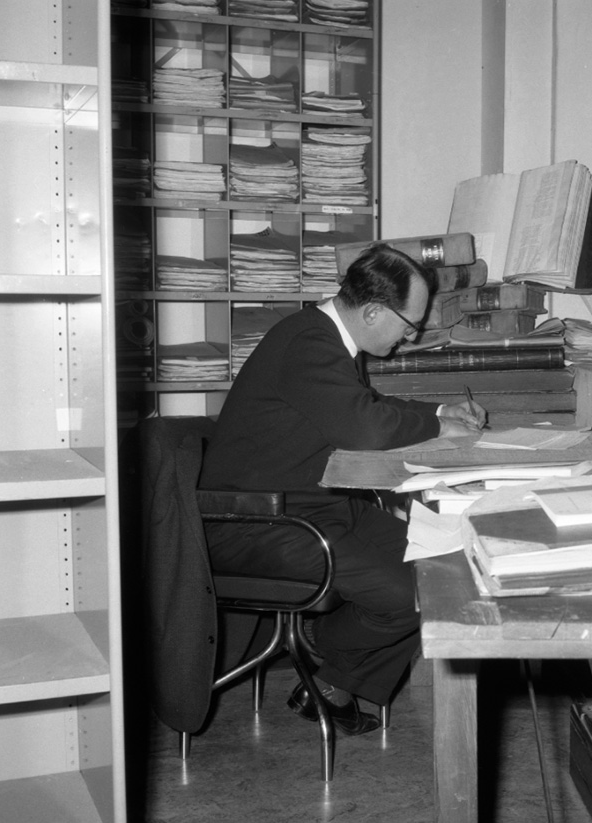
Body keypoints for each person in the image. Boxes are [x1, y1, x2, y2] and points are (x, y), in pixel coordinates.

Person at [199, 243, 486, 735]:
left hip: (311, 505)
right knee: (408, 595)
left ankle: (330, 683)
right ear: (372, 311)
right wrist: (440, 428)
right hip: (258, 520)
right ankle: (326, 650)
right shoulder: (307, 342)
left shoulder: (323, 337)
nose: (411, 337)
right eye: (409, 325)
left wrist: (440, 413)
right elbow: (366, 428)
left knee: (445, 564)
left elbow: (363, 405)